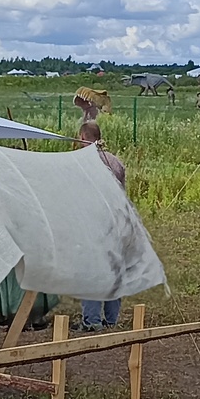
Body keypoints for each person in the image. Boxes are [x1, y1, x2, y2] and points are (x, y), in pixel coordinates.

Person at [78, 121, 128, 331]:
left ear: (82, 137)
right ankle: (111, 319)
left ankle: (92, 321)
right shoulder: (116, 162)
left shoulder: (82, 162)